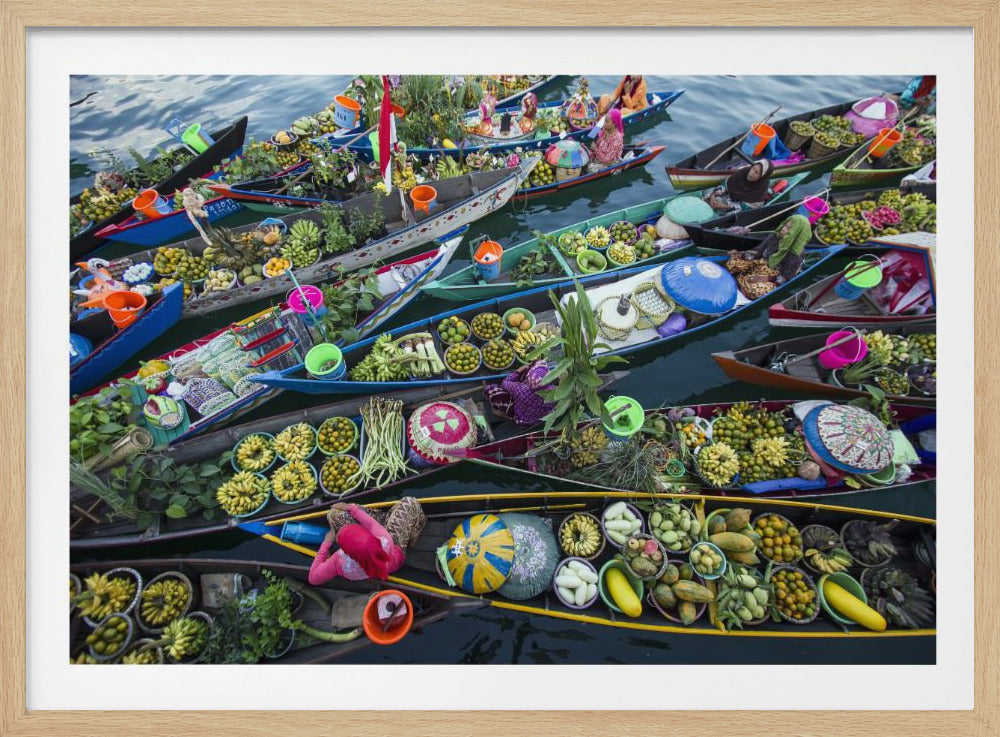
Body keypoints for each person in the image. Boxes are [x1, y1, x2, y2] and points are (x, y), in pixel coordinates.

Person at [307, 498, 425, 585]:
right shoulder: (384, 541)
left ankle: (389, 518)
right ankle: (415, 530)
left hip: (377, 564)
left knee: (333, 514)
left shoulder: (341, 562)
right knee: (410, 503)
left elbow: (313, 578)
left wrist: (326, 543)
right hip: (395, 552)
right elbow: (371, 524)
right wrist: (350, 508)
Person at [726, 214, 812, 297]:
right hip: (760, 264)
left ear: (796, 234)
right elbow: (758, 252)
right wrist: (739, 254)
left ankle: (743, 282)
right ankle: (743, 281)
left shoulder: (795, 255)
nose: (783, 229)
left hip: (771, 277)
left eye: (788, 229)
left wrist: (765, 279)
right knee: (732, 263)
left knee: (753, 290)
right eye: (785, 225)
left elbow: (783, 278)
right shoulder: (775, 236)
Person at [706, 159, 775, 213]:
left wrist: (725, 206)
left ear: (761, 177)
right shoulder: (744, 172)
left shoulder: (761, 189)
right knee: (709, 191)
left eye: (756, 172)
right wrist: (714, 194)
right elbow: (727, 184)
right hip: (727, 196)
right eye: (753, 168)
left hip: (735, 206)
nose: (751, 173)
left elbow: (747, 208)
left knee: (734, 214)